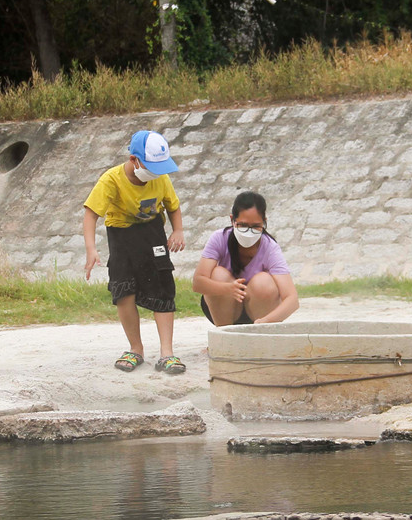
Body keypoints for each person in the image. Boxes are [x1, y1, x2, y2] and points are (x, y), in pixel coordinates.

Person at [83, 130, 188, 374]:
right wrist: (91, 249)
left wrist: (178, 230)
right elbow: (91, 213)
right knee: (124, 290)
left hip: (153, 233)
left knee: (163, 288)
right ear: (134, 160)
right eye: (151, 166)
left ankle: (167, 353)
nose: (156, 172)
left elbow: (173, 206)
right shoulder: (111, 179)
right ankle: (135, 348)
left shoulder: (160, 177)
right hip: (121, 235)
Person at [192, 191, 299, 326]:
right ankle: (224, 337)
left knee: (263, 281)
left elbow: (292, 299)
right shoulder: (219, 238)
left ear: (264, 223)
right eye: (243, 225)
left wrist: (266, 321)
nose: (249, 232)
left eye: (255, 226)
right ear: (232, 220)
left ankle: (260, 338)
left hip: (259, 313)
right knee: (218, 274)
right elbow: (198, 282)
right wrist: (228, 288)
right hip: (223, 309)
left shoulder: (270, 247)